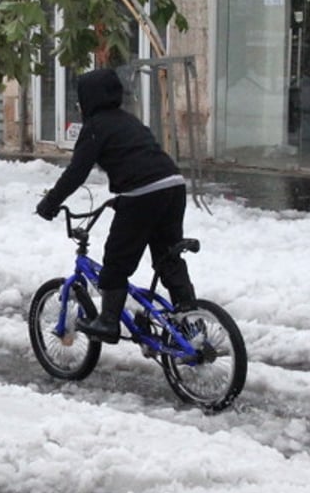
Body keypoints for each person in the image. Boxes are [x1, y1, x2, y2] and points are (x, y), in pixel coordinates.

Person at [36, 67, 194, 343]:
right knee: (168, 258)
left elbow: (76, 172)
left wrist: (50, 202)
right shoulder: (129, 121)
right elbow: (140, 160)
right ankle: (190, 322)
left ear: (88, 99)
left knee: (116, 264)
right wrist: (122, 197)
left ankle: (109, 322)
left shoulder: (95, 127)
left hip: (143, 193)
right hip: (173, 185)